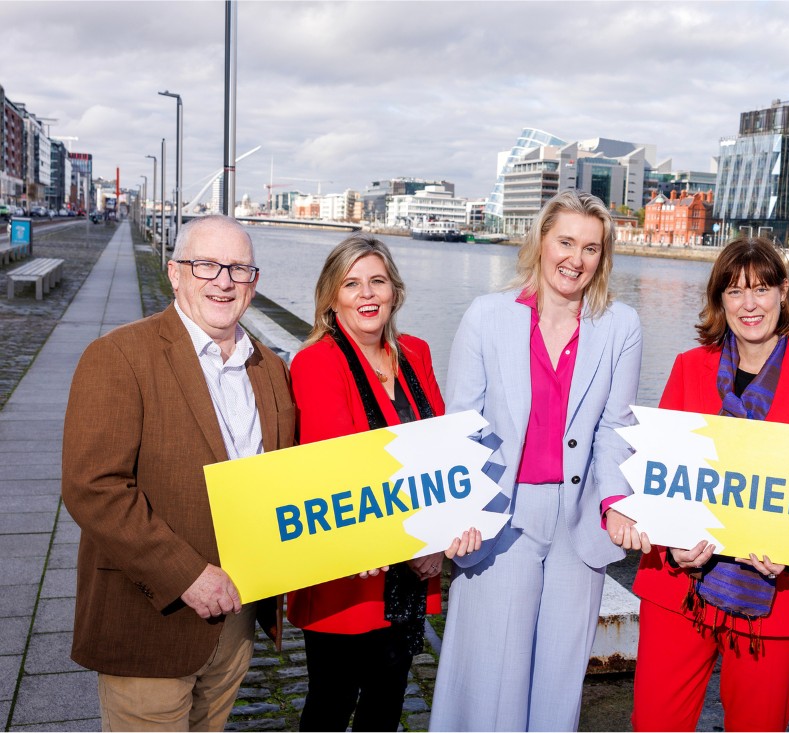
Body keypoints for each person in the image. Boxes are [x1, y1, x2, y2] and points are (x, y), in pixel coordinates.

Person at [61, 215, 296, 731]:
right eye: (206, 264)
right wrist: (186, 575)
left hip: (236, 622)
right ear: (174, 272)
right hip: (151, 618)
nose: (223, 280)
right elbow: (93, 488)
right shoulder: (119, 356)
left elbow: (289, 480)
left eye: (238, 268)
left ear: (254, 283)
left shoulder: (271, 370)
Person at [429, 190, 646, 731]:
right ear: (541, 241)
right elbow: (463, 424)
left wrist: (616, 500)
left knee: (559, 681)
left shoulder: (621, 326)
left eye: (591, 248)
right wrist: (461, 513)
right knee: (493, 675)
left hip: (578, 519)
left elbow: (615, 427)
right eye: (566, 241)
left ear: (603, 257)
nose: (575, 259)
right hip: (505, 515)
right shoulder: (487, 316)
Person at [630, 237, 789, 731]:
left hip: (779, 594)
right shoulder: (689, 367)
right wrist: (671, 544)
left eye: (760, 289)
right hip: (680, 584)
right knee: (655, 722)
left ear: (783, 292)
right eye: (734, 292)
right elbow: (661, 473)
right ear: (720, 301)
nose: (749, 304)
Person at [285, 234, 479, 732]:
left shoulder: (415, 352)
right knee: (331, 701)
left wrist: (436, 540)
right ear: (332, 297)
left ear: (395, 290)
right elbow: (337, 469)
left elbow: (441, 451)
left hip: (410, 569)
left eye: (377, 281)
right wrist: (404, 542)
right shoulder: (316, 361)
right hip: (351, 566)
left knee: (387, 700)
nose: (366, 294)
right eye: (351, 284)